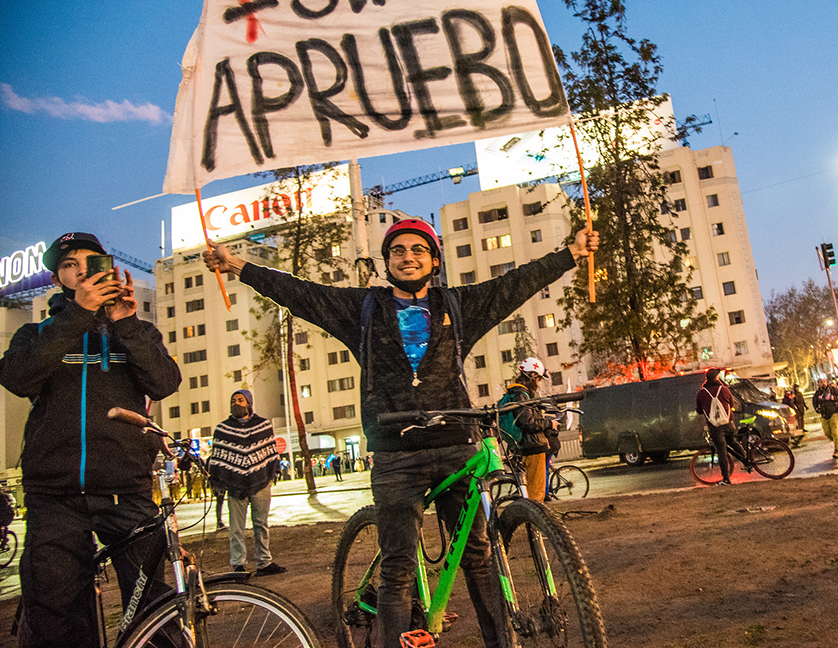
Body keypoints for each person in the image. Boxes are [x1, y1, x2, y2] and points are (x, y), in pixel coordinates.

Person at [204, 216, 598, 648]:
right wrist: (236, 265)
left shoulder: (456, 305)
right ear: (386, 262)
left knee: (480, 556)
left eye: (417, 250)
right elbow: (300, 293)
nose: (407, 257)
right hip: (395, 454)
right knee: (398, 568)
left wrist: (571, 254)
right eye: (397, 251)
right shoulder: (363, 309)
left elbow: (514, 284)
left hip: (456, 445)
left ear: (434, 260)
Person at [0, 232, 182, 647]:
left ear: (108, 268)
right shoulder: (37, 333)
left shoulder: (135, 330)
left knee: (155, 609)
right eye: (68, 266)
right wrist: (77, 316)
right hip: (54, 494)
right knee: (56, 615)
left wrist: (126, 323)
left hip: (126, 488)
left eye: (90, 262)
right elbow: (17, 377)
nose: (80, 271)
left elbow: (164, 382)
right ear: (60, 280)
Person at [207, 389, 286, 576]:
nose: (236, 403)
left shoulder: (263, 426)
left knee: (261, 524)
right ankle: (238, 564)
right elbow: (218, 457)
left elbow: (270, 453)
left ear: (249, 403)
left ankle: (264, 562)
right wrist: (219, 479)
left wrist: (269, 474)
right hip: (235, 485)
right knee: (236, 528)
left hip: (261, 483)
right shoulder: (223, 429)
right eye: (233, 400)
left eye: (240, 400)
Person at [497, 357, 557, 500]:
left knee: (530, 492)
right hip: (533, 447)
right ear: (532, 376)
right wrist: (549, 423)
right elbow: (528, 422)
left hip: (523, 447)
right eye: (538, 379)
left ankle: (530, 520)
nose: (538, 384)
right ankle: (534, 521)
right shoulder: (521, 394)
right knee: (536, 494)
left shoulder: (512, 393)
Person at [695, 368, 746, 485]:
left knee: (722, 452)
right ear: (717, 378)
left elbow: (698, 411)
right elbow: (732, 405)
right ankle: (746, 460)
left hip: (715, 426)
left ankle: (726, 479)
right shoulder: (725, 390)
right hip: (728, 423)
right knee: (732, 441)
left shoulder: (701, 394)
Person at [812, 378, 838, 460]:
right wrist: (817, 409)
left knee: (835, 431)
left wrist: (834, 398)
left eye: (824, 382)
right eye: (821, 382)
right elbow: (814, 402)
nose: (823, 383)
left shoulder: (832, 390)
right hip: (824, 414)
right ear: (818, 384)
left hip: (834, 412)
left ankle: (837, 451)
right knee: (827, 433)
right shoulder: (817, 393)